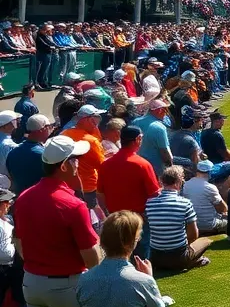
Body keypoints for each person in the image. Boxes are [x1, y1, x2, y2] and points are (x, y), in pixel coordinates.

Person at [12, 135, 101, 307]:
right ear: (63, 166)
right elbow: (91, 256)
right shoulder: (73, 205)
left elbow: (18, 241)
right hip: (65, 286)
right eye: (74, 160)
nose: (77, 164)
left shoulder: (24, 197)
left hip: (32, 282)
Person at [76, 211, 181, 307]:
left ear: (103, 240)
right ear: (133, 241)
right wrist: (150, 279)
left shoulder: (84, 280)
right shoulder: (142, 281)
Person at [96, 126, 161, 261]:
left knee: (118, 255)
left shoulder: (105, 165)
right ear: (137, 139)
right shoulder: (142, 164)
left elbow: (100, 193)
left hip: (116, 217)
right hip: (138, 218)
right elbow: (154, 194)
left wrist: (108, 213)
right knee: (140, 257)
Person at [144, 167, 212, 272]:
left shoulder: (149, 203)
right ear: (179, 182)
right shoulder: (185, 203)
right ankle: (191, 261)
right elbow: (193, 234)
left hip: (156, 258)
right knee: (205, 241)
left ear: (162, 181)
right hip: (178, 257)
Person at [61, 106, 107, 210]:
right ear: (86, 120)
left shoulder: (64, 134)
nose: (96, 123)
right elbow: (102, 166)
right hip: (89, 188)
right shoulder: (91, 141)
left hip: (69, 185)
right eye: (94, 119)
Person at [6, 116, 54, 199]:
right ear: (42, 129)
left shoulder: (12, 153)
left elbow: (11, 176)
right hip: (41, 198)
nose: (52, 129)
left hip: (21, 198)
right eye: (49, 126)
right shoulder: (43, 155)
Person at [0, 189, 21, 307]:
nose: (9, 205)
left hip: (8, 268)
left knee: (8, 306)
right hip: (4, 269)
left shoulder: (7, 221)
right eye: (6, 203)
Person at [182, 161, 227, 236]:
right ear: (210, 172)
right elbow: (223, 209)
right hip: (209, 225)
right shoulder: (210, 187)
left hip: (191, 224)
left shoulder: (186, 184)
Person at [134, 100, 172, 172]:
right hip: (154, 169)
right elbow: (164, 152)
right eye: (165, 111)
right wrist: (171, 166)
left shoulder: (135, 122)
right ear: (160, 110)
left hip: (137, 165)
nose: (165, 114)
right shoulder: (160, 128)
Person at [0, 112, 20, 190]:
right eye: (13, 122)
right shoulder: (9, 145)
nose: (15, 126)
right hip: (7, 183)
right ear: (5, 126)